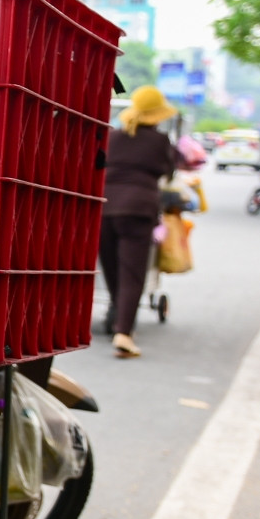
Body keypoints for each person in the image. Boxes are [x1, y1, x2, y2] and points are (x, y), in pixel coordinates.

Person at [100, 86, 179, 358]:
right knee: (132, 273)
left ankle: (117, 310)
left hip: (104, 207)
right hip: (138, 209)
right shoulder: (160, 141)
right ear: (156, 115)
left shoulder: (112, 137)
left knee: (111, 268)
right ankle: (124, 331)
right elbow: (169, 172)